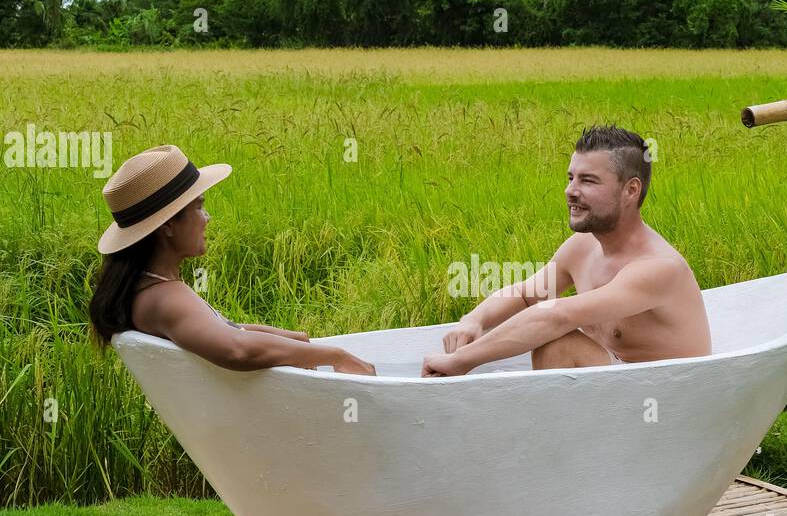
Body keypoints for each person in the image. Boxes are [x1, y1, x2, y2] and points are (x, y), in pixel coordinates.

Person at [421, 124, 711, 376]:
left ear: (631, 191)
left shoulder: (658, 267)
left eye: (588, 180)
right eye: (570, 177)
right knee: (547, 333)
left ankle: (552, 436)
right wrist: (473, 320)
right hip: (618, 386)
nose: (570, 190)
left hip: (665, 398)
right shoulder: (583, 247)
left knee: (556, 340)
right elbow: (525, 295)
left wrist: (461, 361)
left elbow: (555, 315)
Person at [88, 144, 375, 374]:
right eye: (199, 208)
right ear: (168, 226)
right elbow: (237, 348)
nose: (207, 218)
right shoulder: (165, 298)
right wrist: (336, 355)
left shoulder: (149, 288)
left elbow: (226, 329)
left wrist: (290, 338)